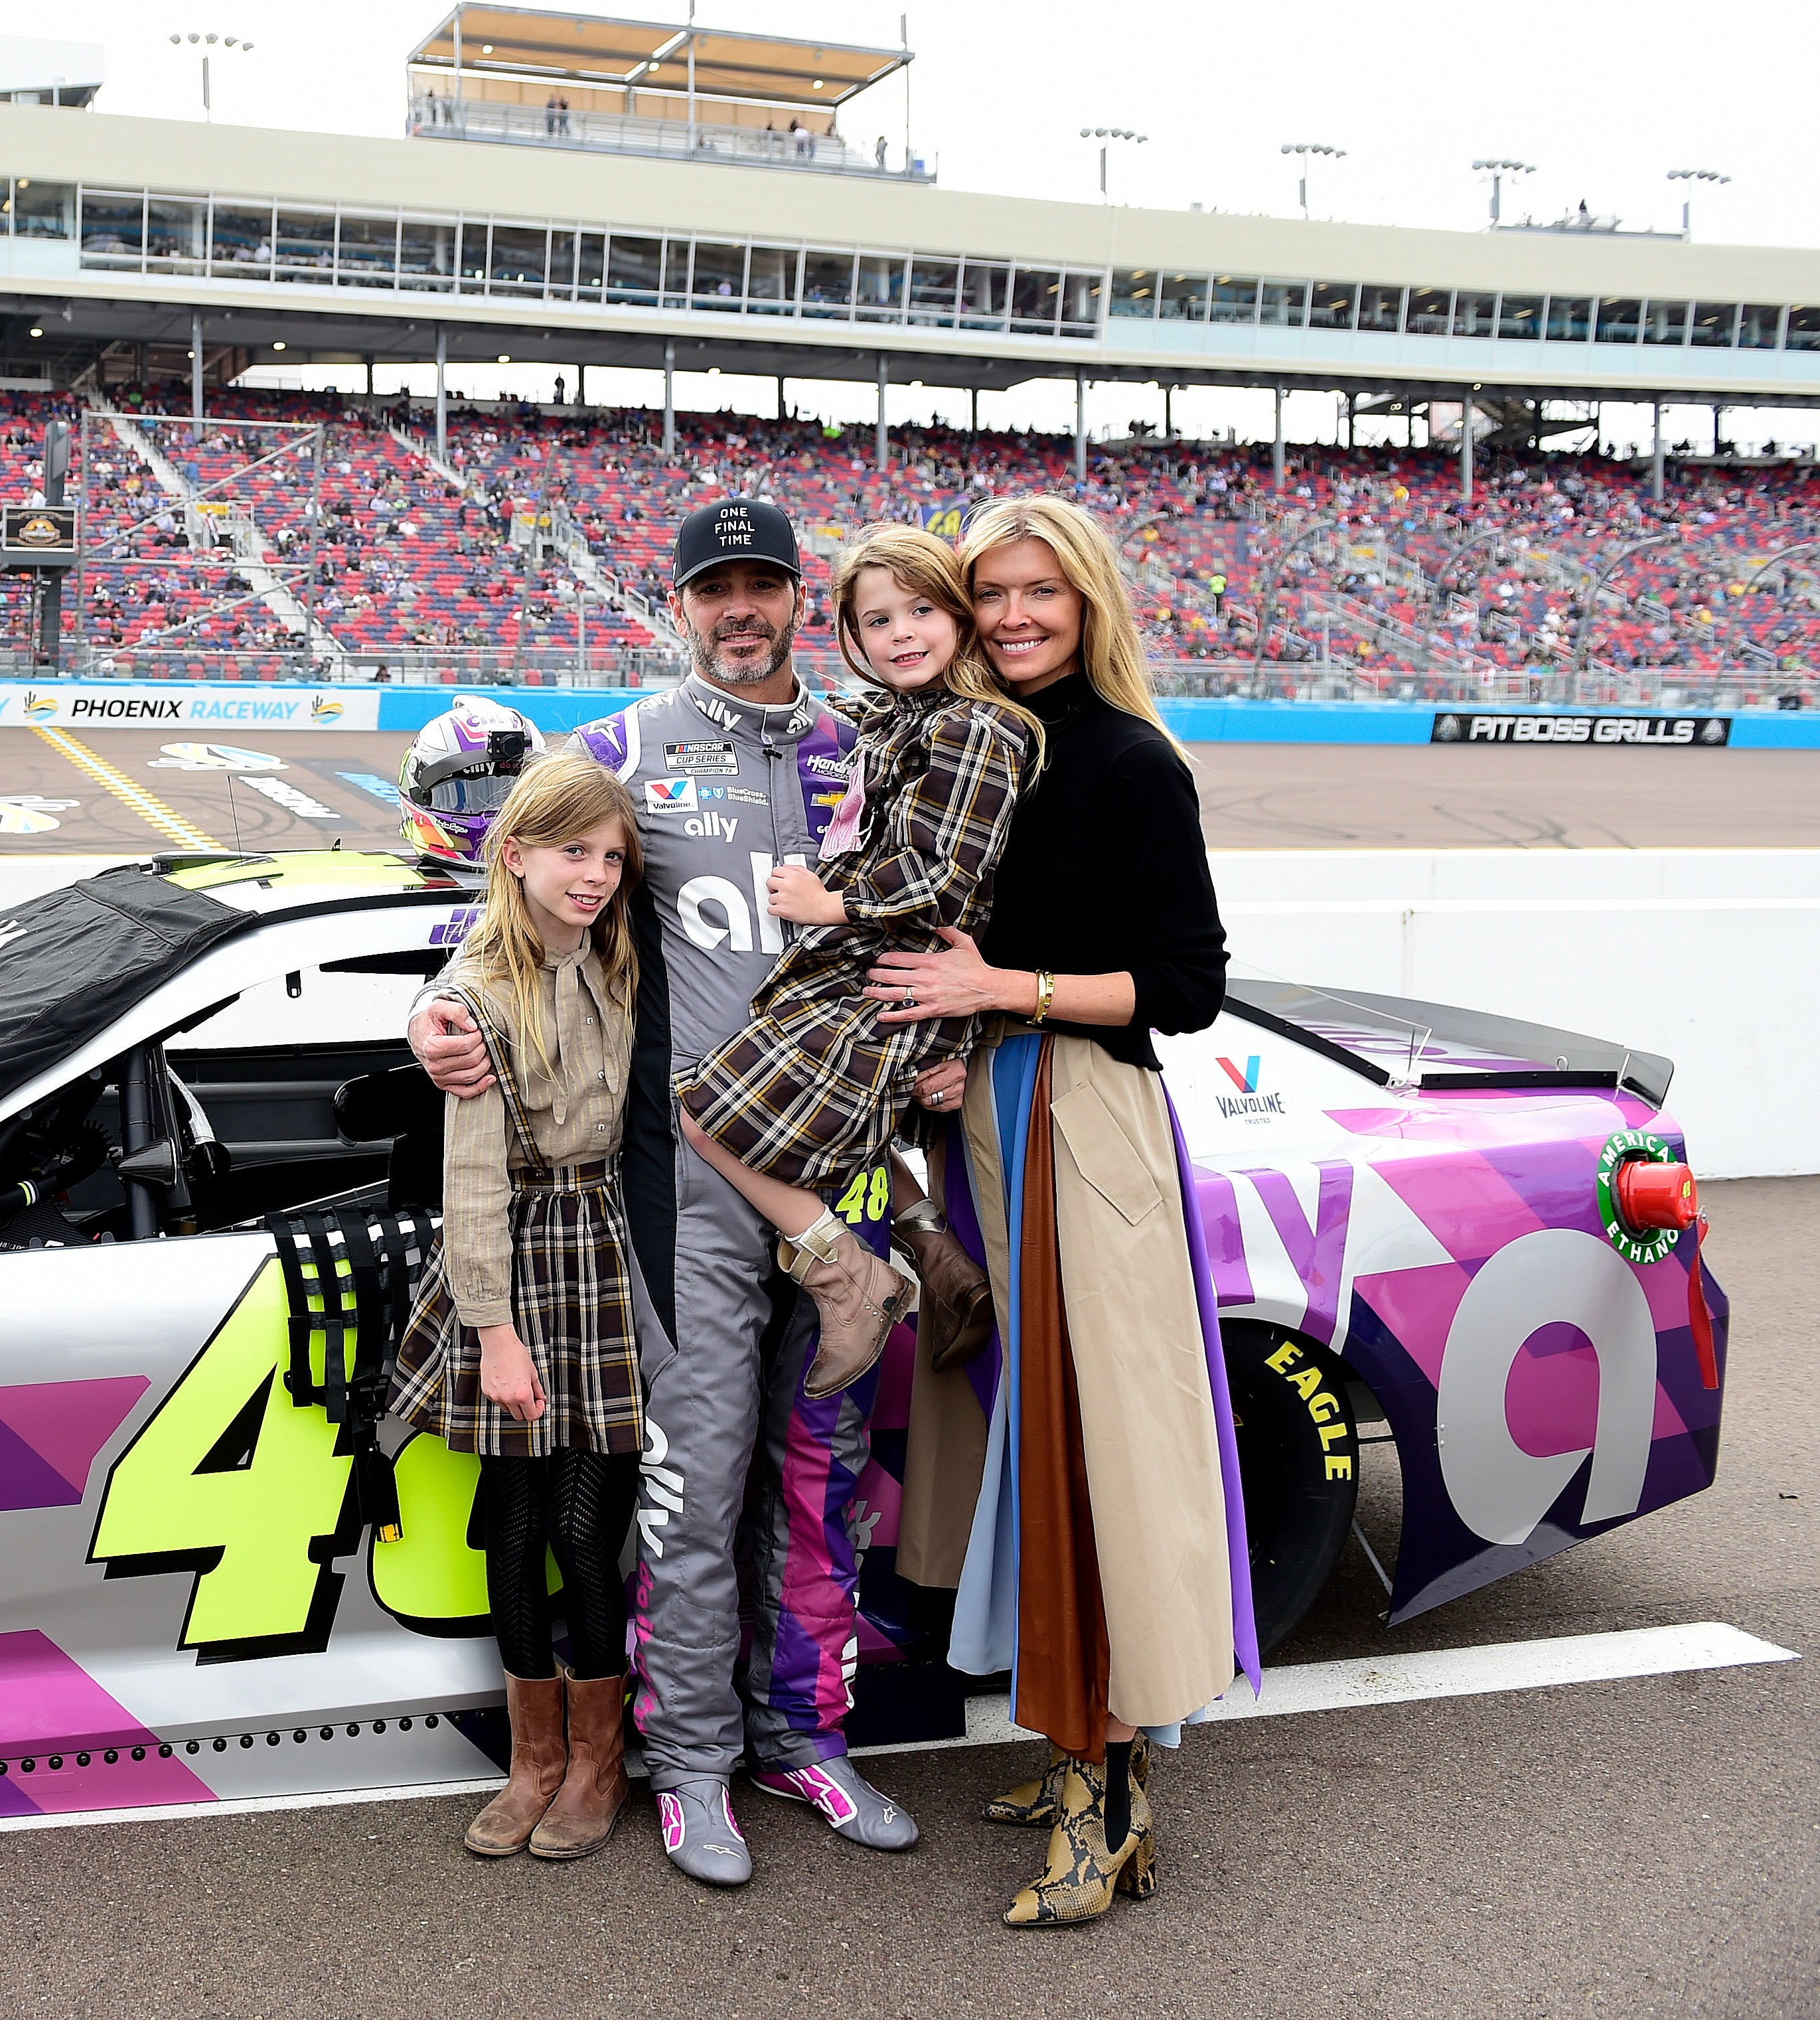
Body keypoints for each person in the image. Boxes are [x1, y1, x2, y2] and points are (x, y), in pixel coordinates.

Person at [409, 499, 918, 1887]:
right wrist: (437, 1010)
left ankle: (802, 1739)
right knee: (691, 1497)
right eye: (715, 589)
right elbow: (517, 890)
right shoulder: (622, 749)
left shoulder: (866, 750)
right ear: (678, 601)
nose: (738, 609)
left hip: (843, 1179)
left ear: (800, 598)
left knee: (823, 1486)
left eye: (763, 586)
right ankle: (688, 1763)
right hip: (685, 1193)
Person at [870, 494, 1258, 1927]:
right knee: (1031, 1453)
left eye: (1042, 592)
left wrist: (998, 993)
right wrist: (960, 1029)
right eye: (993, 594)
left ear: (1089, 601)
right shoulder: (989, 749)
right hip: (993, 1114)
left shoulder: (1126, 760)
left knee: (1095, 1462)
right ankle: (1086, 1753)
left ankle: (1108, 1807)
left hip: (1083, 1123)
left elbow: (1188, 986)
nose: (1016, 616)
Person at [674, 525, 1038, 1401]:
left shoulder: (976, 727)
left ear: (960, 619)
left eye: (923, 610)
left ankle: (852, 1279)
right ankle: (937, 1259)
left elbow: (947, 877)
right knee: (837, 1143)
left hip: (888, 978)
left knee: (704, 1112)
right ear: (850, 633)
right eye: (878, 621)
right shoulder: (896, 721)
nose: (901, 633)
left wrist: (829, 904)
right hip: (872, 977)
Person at [383, 752, 645, 1863]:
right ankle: (533, 1757)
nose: (594, 875)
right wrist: (493, 1333)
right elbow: (473, 1181)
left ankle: (597, 1760)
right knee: (520, 1527)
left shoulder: (627, 957)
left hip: (614, 1252)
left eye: (613, 857)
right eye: (572, 853)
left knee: (589, 1531)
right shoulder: (479, 995)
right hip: (520, 1268)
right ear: (516, 853)